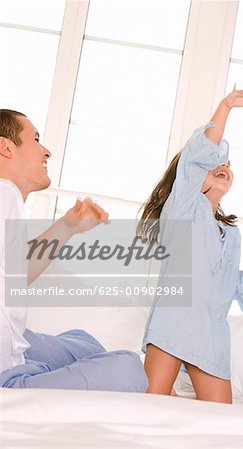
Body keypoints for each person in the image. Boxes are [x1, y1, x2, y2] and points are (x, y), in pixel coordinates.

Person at [0, 109, 147, 392]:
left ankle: (36, 370)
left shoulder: (8, 199)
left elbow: (14, 273)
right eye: (36, 139)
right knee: (129, 369)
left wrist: (67, 226)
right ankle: (26, 382)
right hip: (5, 373)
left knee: (83, 341)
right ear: (5, 147)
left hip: (15, 350)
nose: (47, 151)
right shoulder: (5, 193)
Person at [139, 87, 243, 403]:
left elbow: (218, 285)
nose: (222, 165)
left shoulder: (232, 232)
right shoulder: (182, 209)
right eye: (214, 163)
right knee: (148, 406)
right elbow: (198, 155)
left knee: (218, 420)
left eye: (227, 162)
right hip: (175, 321)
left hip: (211, 331)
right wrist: (225, 107)